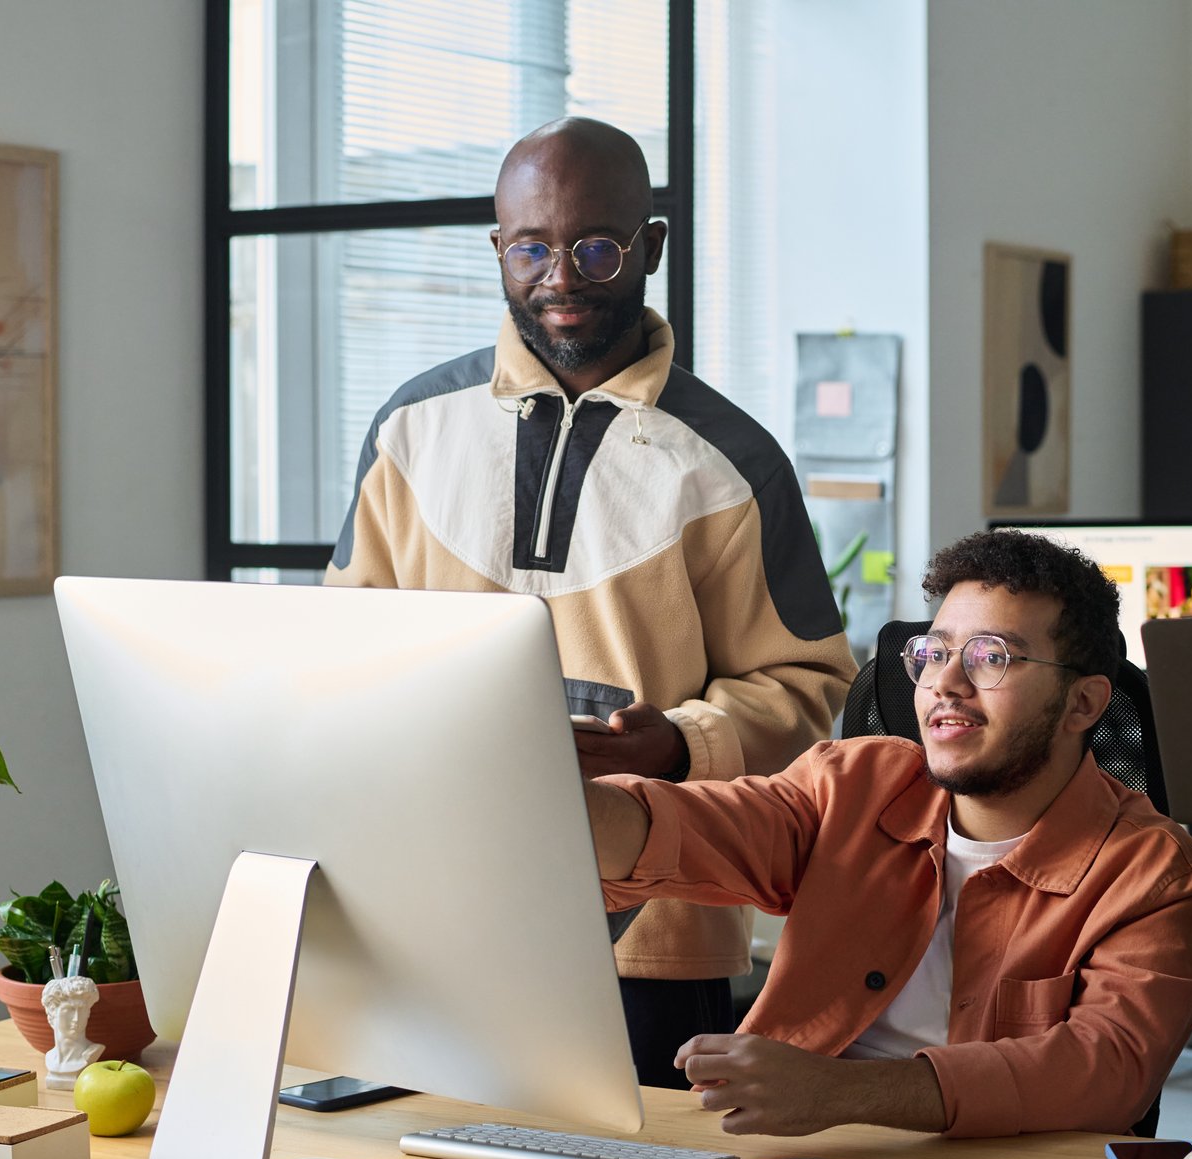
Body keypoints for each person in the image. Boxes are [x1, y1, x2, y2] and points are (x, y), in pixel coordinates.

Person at [325, 117, 856, 1088]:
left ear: (651, 246)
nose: (560, 276)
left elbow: (812, 685)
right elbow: (342, 648)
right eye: (531, 246)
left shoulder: (734, 461)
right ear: (498, 247)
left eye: (596, 246)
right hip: (433, 909)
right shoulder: (409, 429)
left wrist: (679, 744)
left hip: (658, 930)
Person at [582, 531, 1192, 1138]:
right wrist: (560, 802)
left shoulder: (1155, 875)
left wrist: (839, 1093)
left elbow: (1101, 1071)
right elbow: (689, 828)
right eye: (935, 653)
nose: (944, 683)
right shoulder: (855, 781)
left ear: (1083, 704)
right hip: (794, 1151)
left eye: (990, 657)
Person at [41, 976, 103, 1087]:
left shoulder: (92, 1053)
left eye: (82, 1009)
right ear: (53, 1011)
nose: (76, 1018)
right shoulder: (50, 1058)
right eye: (69, 1010)